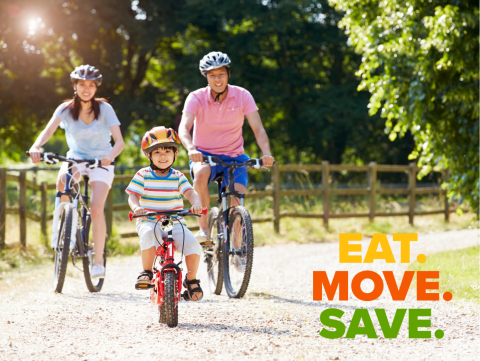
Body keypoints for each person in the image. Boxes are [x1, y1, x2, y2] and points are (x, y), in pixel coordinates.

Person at [29, 64, 124, 278]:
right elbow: (47, 131)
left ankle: (98, 261)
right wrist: (36, 147)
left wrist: (109, 157)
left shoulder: (105, 109)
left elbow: (120, 142)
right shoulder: (64, 109)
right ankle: (64, 234)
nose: (87, 89)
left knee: (96, 209)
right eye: (82, 84)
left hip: (102, 160)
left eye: (91, 85)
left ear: (96, 88)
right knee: (63, 178)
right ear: (75, 86)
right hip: (77, 157)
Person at [178, 51, 275, 242]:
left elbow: (258, 128)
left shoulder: (242, 96)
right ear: (206, 76)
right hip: (204, 155)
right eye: (212, 75)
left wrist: (266, 153)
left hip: (235, 156)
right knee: (200, 174)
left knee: (237, 197)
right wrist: (191, 148)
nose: (217, 79)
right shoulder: (195, 98)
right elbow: (184, 127)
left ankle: (238, 245)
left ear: (228, 74)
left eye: (221, 74)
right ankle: (204, 229)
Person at [126, 126, 204, 301]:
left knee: (193, 244)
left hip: (173, 220)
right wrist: (137, 208)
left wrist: (196, 203)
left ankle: (191, 280)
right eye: (157, 152)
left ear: (175, 154)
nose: (163, 156)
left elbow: (190, 193)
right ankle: (146, 271)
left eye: (167, 151)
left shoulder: (178, 176)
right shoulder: (143, 174)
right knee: (147, 234)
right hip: (149, 219)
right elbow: (132, 195)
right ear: (149, 156)